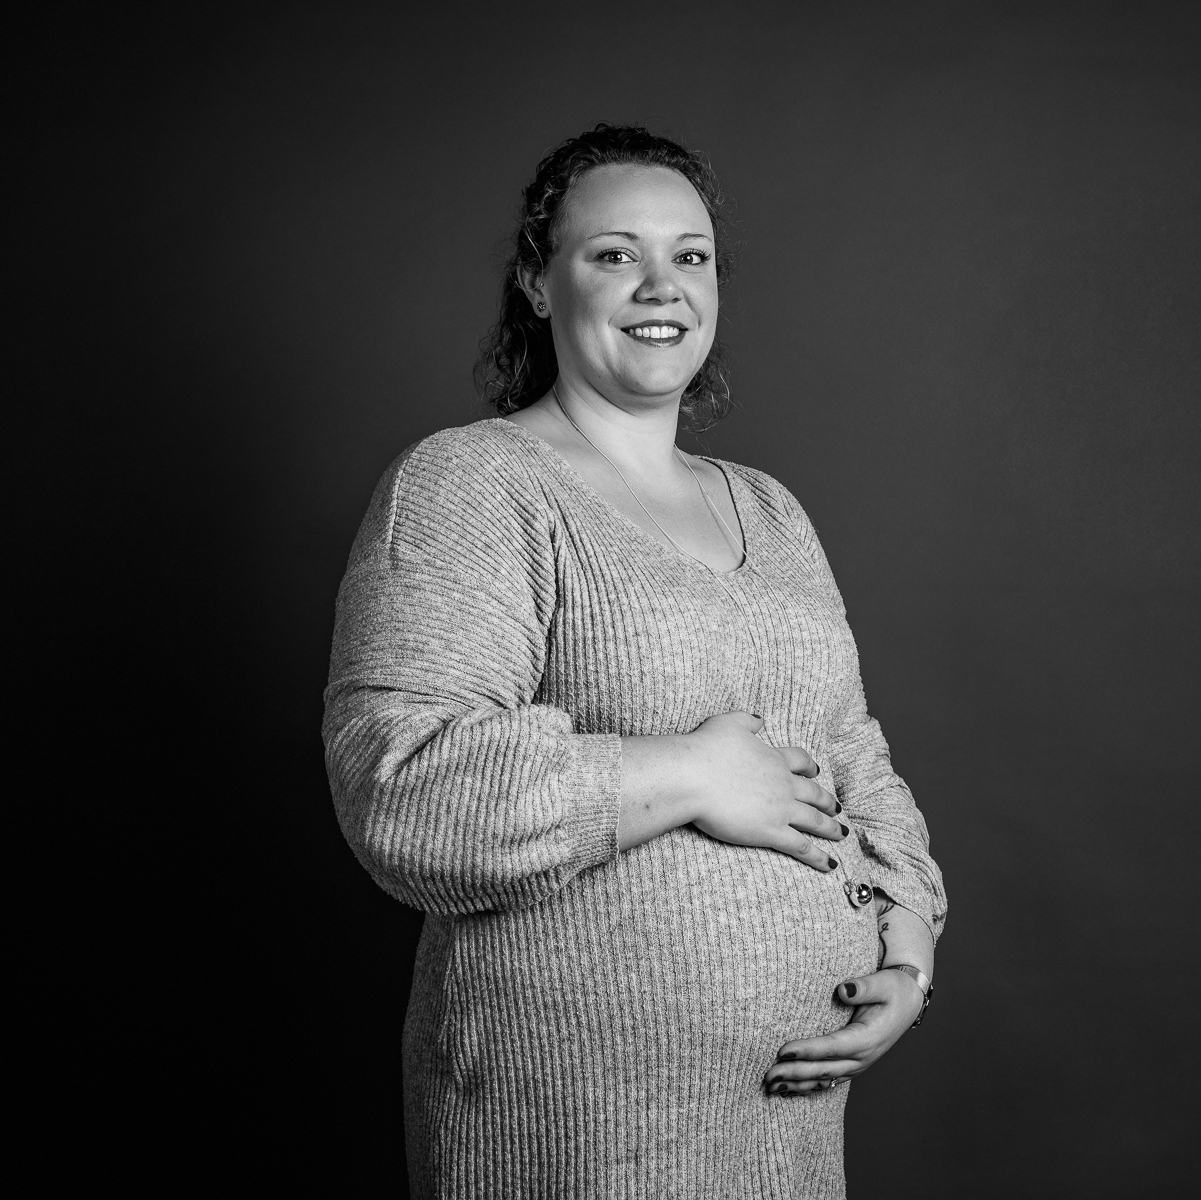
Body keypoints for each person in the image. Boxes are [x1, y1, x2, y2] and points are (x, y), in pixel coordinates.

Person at [323, 123, 947, 1198]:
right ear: (537, 280)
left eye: (689, 255)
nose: (662, 285)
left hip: (789, 1139)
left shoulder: (770, 509)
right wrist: (688, 774)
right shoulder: (472, 485)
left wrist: (907, 942)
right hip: (571, 1131)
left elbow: (852, 751)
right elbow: (402, 786)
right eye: (615, 253)